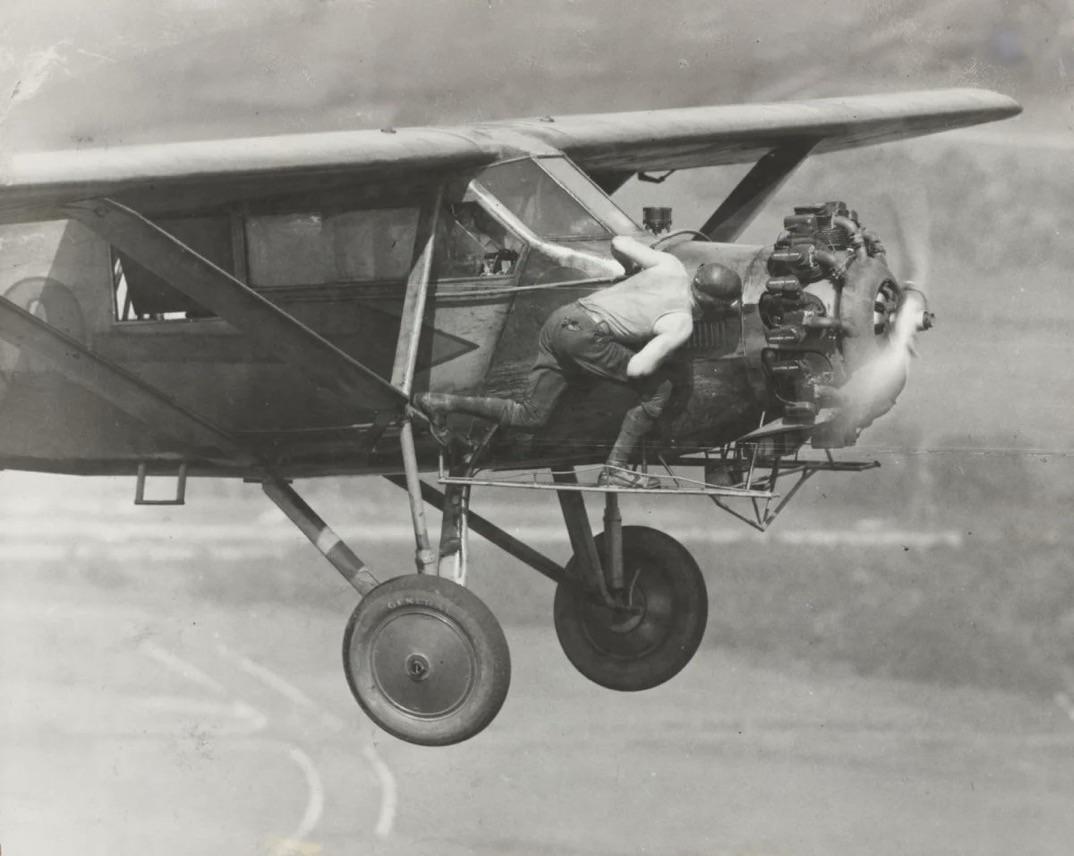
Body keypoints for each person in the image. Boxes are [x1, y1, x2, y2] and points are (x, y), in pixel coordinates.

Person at [416, 235, 742, 488]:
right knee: (659, 389)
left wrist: (631, 274)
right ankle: (615, 468)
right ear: (714, 309)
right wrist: (661, 356)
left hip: (561, 320)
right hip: (587, 337)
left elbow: (620, 243)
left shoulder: (670, 266)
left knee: (530, 414)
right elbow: (637, 368)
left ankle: (441, 402)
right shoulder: (680, 322)